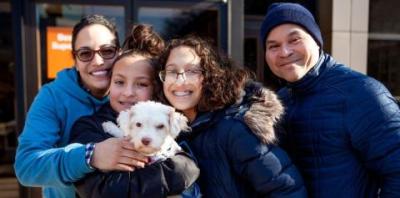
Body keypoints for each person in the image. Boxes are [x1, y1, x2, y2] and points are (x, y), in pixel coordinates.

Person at [259, 2, 400, 197]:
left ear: (317, 41)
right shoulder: (280, 101)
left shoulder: (361, 94)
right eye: (273, 46)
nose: (284, 52)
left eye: (294, 40)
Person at [157, 35, 307, 197]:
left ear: (211, 75)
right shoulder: (170, 132)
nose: (180, 81)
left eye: (192, 71)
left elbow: (287, 190)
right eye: (172, 71)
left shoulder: (235, 128)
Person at [14, 15, 145, 198]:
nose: (98, 61)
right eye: (85, 54)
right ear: (74, 60)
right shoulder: (52, 97)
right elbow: (27, 167)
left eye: (107, 51)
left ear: (119, 53)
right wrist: (90, 155)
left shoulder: (135, 94)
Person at [69, 24, 200, 198]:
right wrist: (176, 172)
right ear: (109, 84)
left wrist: (184, 168)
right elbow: (101, 191)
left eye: (142, 84)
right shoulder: (89, 127)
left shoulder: (167, 118)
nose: (128, 92)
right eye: (119, 82)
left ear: (155, 88)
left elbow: (188, 165)